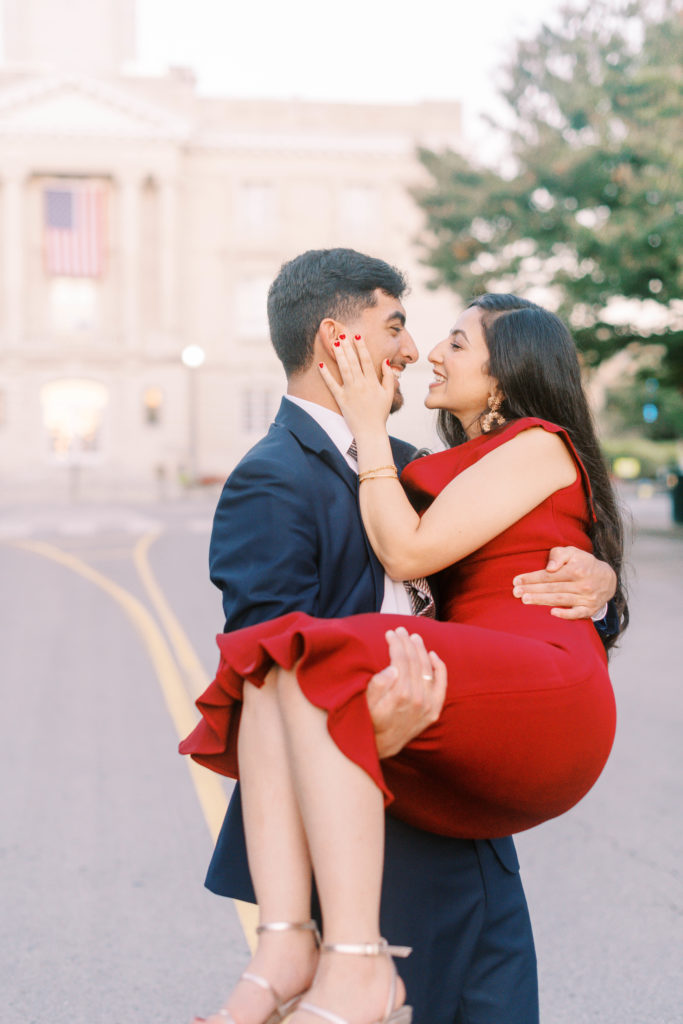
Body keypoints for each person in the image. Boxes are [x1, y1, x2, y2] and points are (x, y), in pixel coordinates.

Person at [182, 250, 620, 1024]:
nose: (415, 352)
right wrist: (372, 730)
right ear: (335, 341)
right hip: (371, 816)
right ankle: (310, 955)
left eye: (442, 337)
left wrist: (600, 578)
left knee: (494, 1002)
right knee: (286, 654)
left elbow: (512, 541)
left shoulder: (421, 466)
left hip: (462, 789)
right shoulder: (273, 475)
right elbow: (261, 662)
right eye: (397, 328)